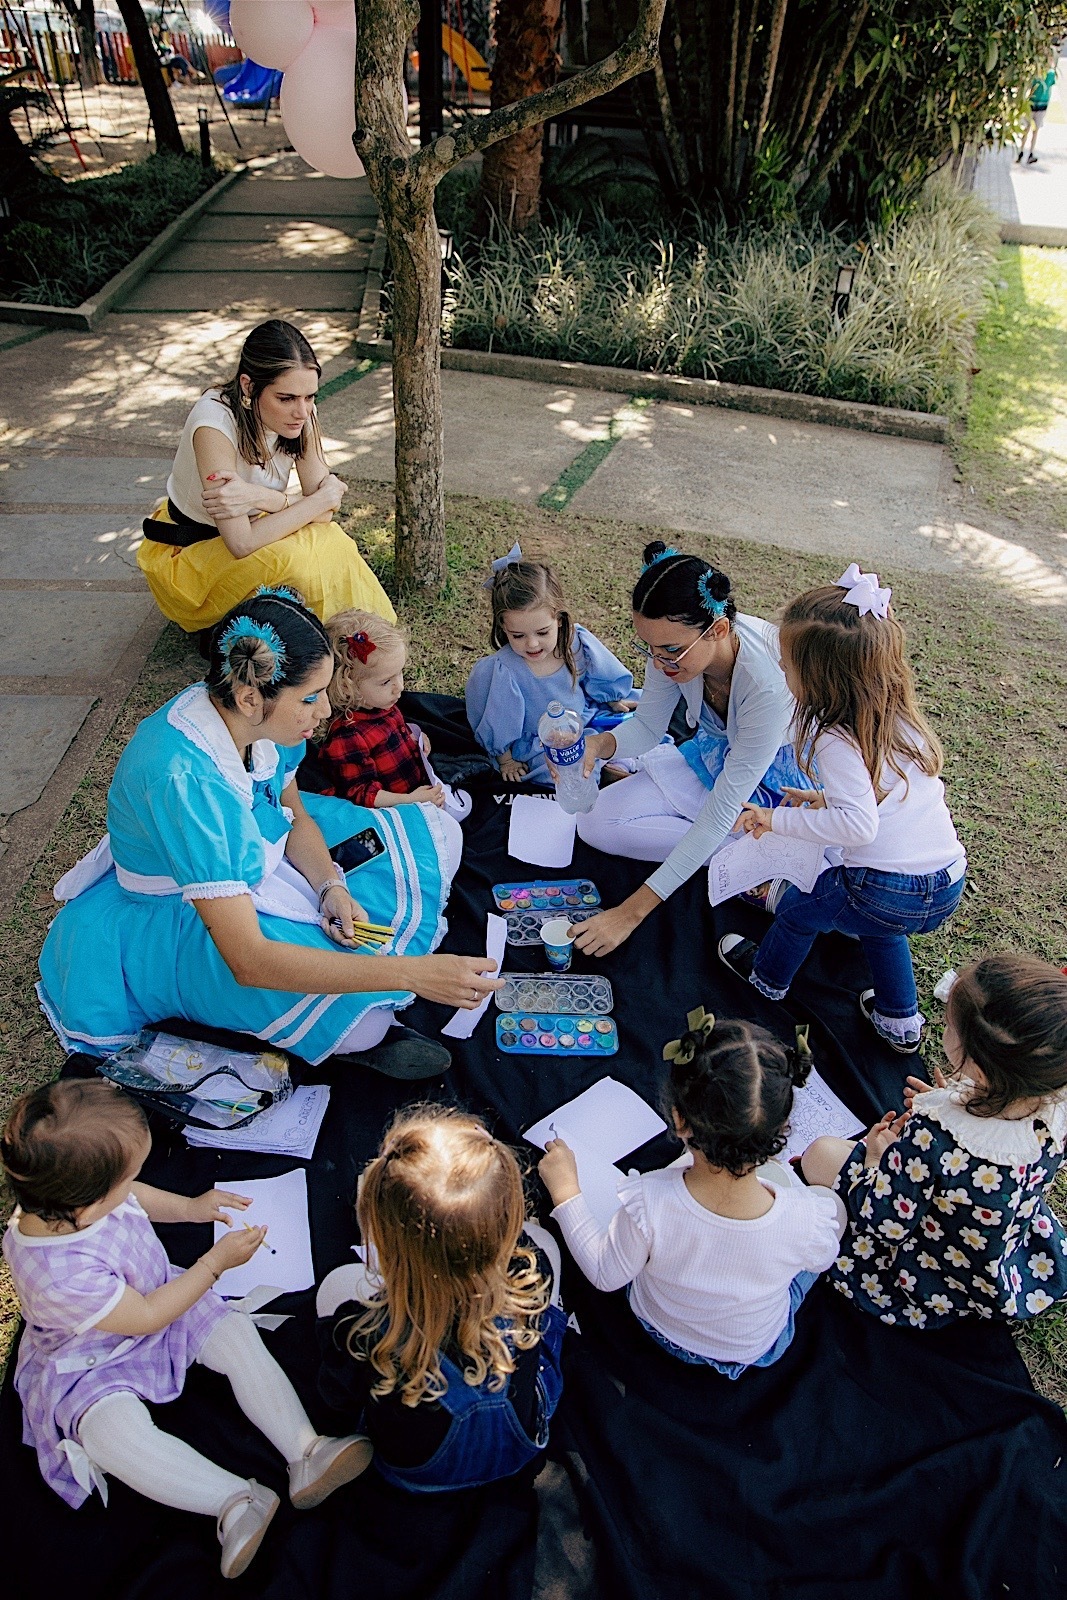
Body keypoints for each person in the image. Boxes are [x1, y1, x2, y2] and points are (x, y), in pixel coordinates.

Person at [38, 591, 502, 1082]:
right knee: (366, 1024)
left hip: (257, 851)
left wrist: (330, 885)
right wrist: (412, 974)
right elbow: (250, 960)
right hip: (185, 915)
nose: (325, 711)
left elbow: (293, 811)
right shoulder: (186, 784)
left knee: (439, 830)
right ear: (249, 698)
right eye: (309, 698)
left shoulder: (255, 725)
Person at [2, 1079, 372, 1580]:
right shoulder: (60, 1274)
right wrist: (214, 1265)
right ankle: (233, 1501)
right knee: (110, 1434)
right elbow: (146, 1318)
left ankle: (305, 1450)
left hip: (157, 1293)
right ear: (88, 1209)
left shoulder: (75, 1197)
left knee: (235, 1335)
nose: (133, 1183)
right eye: (127, 1175)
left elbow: (136, 1196)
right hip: (91, 1355)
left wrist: (192, 1207)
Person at [718, 565, 965, 1055]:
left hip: (882, 884)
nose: (782, 672)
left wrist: (775, 818)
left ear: (819, 679)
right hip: (945, 880)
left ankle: (766, 979)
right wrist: (822, 800)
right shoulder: (894, 719)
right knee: (883, 930)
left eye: (788, 665)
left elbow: (858, 824)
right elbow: (882, 799)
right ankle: (900, 1020)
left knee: (797, 909)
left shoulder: (834, 739)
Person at [540, 1009, 843, 1374]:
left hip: (660, 1328)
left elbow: (606, 1274)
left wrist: (566, 1192)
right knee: (833, 1206)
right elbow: (823, 1259)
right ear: (782, 1129)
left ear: (679, 1119)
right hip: (754, 1346)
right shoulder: (806, 1218)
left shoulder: (648, 1201)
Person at [802, 955, 1067, 1328]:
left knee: (820, 1154)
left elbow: (886, 1221)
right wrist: (963, 1102)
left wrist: (878, 1160)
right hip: (1005, 1246)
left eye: (948, 1024)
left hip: (930, 1265)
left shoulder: (934, 1135)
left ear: (975, 1066)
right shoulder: (1056, 1108)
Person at [572, 542, 805, 957]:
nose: (658, 663)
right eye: (648, 648)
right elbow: (646, 727)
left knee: (713, 825)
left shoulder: (767, 683)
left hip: (774, 788)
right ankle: (744, 857)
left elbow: (724, 808)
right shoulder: (672, 644)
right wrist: (601, 743)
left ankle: (761, 856)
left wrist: (628, 914)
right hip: (712, 759)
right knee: (592, 823)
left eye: (670, 651)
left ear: (717, 629)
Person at [315, 1105, 565, 1491]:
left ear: (383, 1241)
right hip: (521, 1449)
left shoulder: (362, 1329)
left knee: (337, 1283)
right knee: (546, 1244)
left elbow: (337, 1402)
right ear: (510, 1218)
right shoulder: (533, 1273)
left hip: (415, 1471)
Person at [137, 319, 395, 633]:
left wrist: (263, 497)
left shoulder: (301, 415)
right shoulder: (213, 424)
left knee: (334, 541)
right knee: (296, 561)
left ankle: (366, 642)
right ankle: (322, 647)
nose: (302, 411)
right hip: (194, 556)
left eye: (310, 397)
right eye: (286, 399)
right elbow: (241, 542)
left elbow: (325, 511)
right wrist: (302, 500)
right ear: (248, 386)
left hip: (257, 526)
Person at [465, 545, 635, 784]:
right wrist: (505, 760)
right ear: (503, 627)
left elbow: (592, 674)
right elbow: (497, 719)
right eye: (518, 636)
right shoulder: (503, 670)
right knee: (565, 775)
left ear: (559, 619)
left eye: (542, 632)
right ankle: (604, 769)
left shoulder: (572, 642)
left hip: (583, 720)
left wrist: (611, 699)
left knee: (639, 724)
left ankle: (611, 760)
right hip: (542, 743)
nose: (532, 644)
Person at [313, 609, 470, 820]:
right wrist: (410, 801)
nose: (399, 687)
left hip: (417, 790)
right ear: (347, 686)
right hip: (397, 811)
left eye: (400, 673)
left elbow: (395, 734)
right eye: (386, 681)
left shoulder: (379, 703)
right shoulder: (348, 737)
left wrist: (416, 740)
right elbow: (361, 795)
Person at [1017, 48, 1059, 163]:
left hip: (1034, 104)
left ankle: (1025, 152)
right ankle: (1027, 152)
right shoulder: (1046, 74)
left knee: (1029, 129)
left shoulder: (1038, 73)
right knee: (1033, 130)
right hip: (1039, 105)